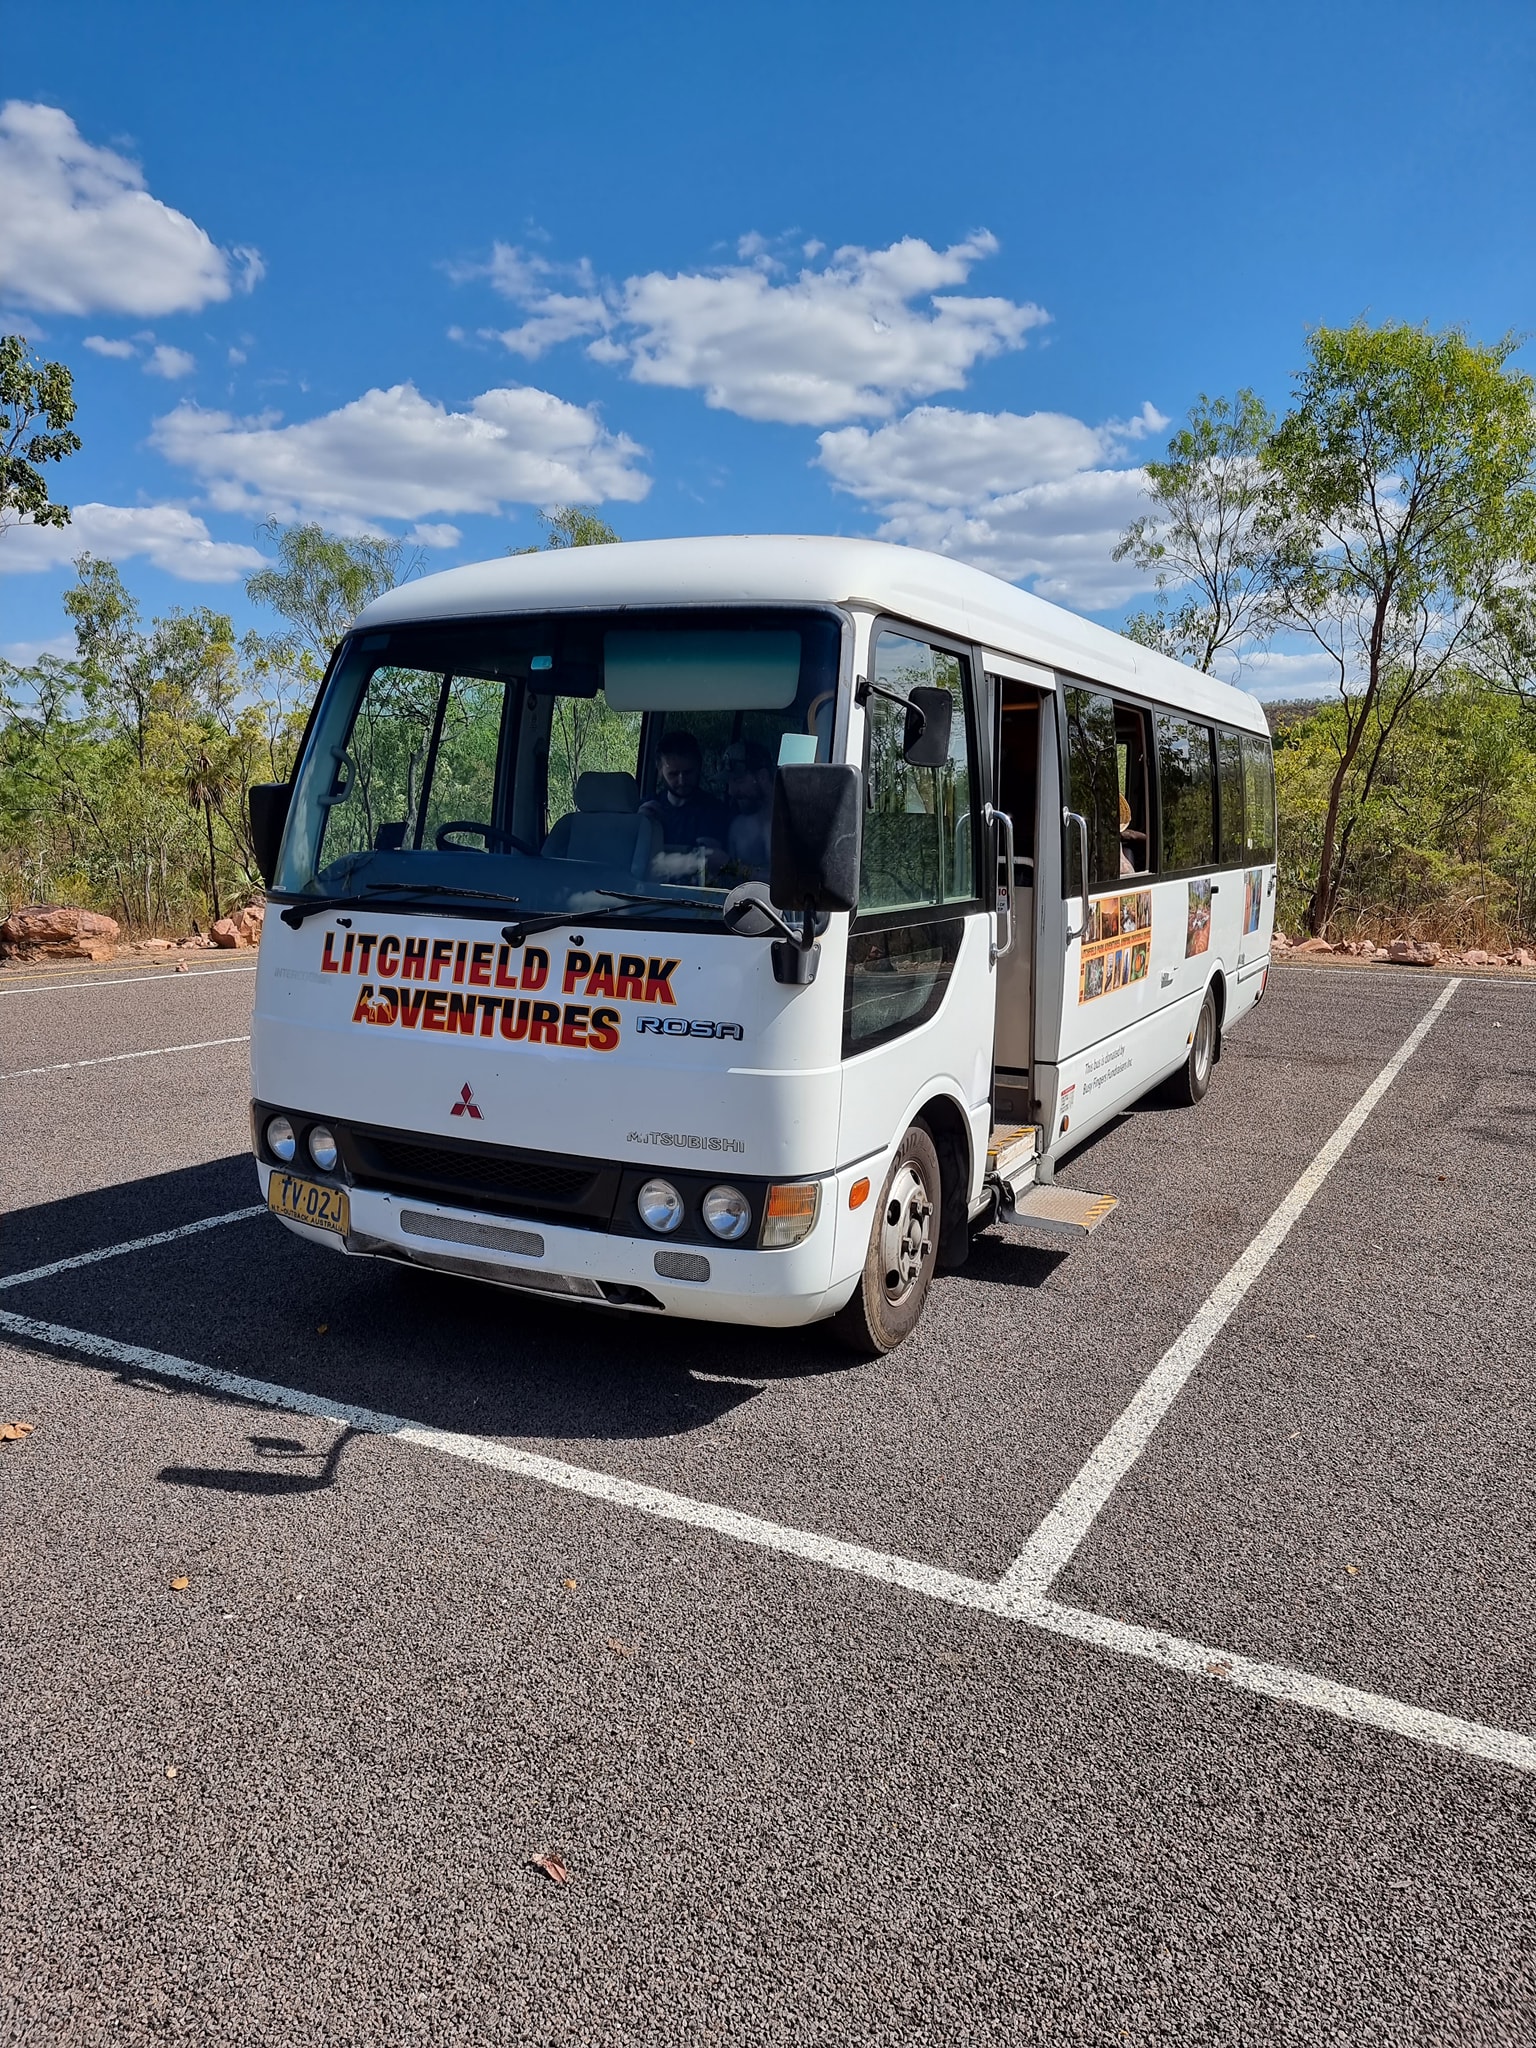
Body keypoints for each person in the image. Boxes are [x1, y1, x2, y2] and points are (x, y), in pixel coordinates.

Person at [640, 730, 731, 857]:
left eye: (688, 772)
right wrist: (640, 824)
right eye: (673, 774)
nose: (682, 781)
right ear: (660, 770)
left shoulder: (715, 812)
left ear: (699, 766)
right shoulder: (647, 808)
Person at [723, 738, 775, 876]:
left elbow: (788, 884)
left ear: (763, 777)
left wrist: (729, 865)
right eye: (729, 782)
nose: (731, 791)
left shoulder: (794, 825)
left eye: (738, 780)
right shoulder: (738, 827)